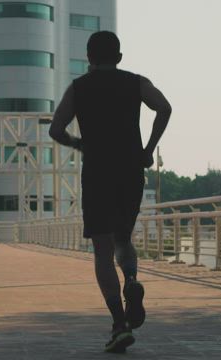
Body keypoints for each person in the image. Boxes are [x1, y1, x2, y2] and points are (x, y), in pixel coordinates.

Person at [49, 31, 171, 353]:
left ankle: (119, 323)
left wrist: (79, 144)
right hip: (130, 171)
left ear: (89, 58)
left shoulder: (78, 88)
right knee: (123, 239)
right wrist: (148, 150)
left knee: (102, 252)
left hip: (98, 174)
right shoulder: (137, 82)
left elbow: (55, 128)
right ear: (118, 56)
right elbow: (164, 107)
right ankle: (131, 281)